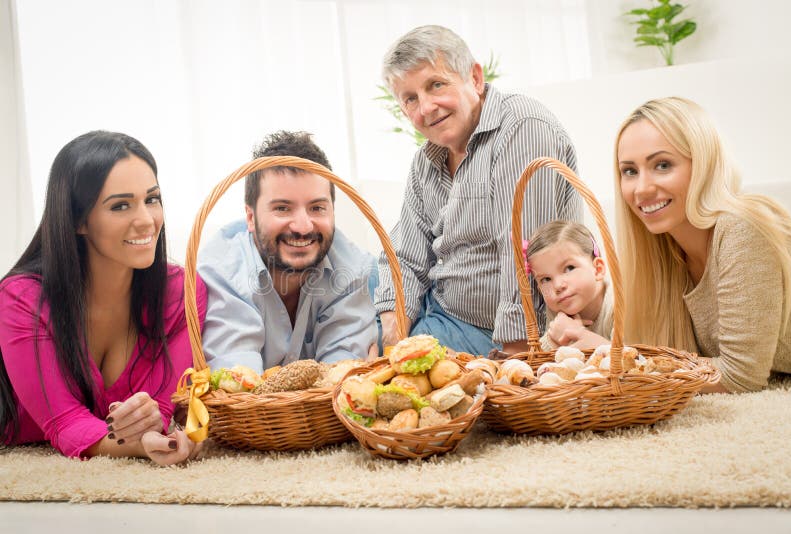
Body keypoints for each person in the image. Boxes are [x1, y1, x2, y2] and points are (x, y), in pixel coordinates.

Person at [373, 25, 582, 356]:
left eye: (436, 85)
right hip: (436, 306)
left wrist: (516, 361)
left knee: (347, 358)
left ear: (474, 77)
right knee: (355, 279)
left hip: (489, 329)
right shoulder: (425, 160)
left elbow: (523, 253)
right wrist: (393, 345)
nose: (426, 108)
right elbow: (407, 257)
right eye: (410, 98)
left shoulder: (521, 128)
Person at [0, 131, 207, 464]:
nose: (146, 220)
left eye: (151, 199)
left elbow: (164, 408)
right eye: (121, 205)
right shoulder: (23, 298)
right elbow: (64, 424)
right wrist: (141, 446)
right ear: (78, 220)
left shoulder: (181, 292)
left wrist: (161, 431)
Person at [614, 96, 791, 393]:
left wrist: (634, 365)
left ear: (702, 164)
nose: (642, 188)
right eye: (630, 171)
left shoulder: (742, 228)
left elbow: (741, 376)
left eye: (662, 165)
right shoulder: (665, 253)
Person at [198, 131, 378, 373]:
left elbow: (339, 379)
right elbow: (239, 384)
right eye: (282, 208)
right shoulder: (222, 271)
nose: (303, 227)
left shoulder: (353, 269)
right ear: (250, 218)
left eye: (317, 208)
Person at [525, 221, 612, 351]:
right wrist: (553, 340)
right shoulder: (559, 308)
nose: (558, 286)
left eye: (569, 268)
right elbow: (540, 359)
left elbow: (637, 359)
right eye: (546, 279)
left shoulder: (616, 306)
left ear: (598, 269)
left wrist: (583, 336)